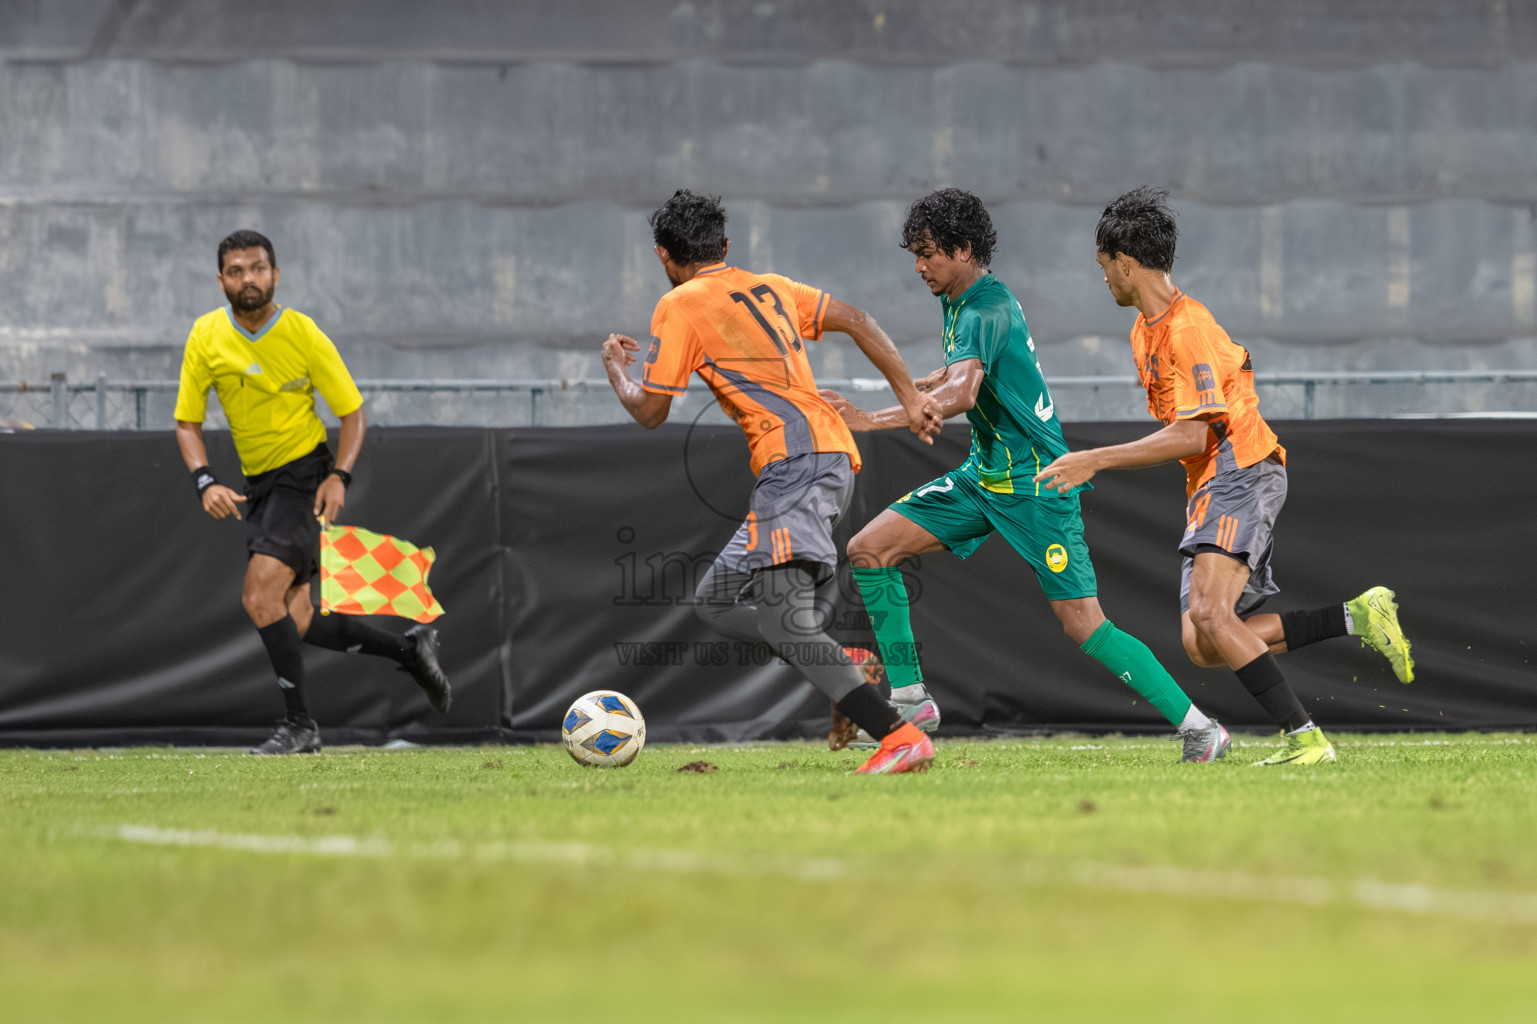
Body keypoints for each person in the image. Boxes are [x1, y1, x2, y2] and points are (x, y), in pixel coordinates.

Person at [822, 188, 1231, 762]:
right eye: (915, 253)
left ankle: (1200, 728)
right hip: (983, 475)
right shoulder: (965, 301)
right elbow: (952, 374)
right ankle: (911, 701)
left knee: (1084, 624)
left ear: (963, 249)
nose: (919, 266)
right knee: (870, 549)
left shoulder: (985, 307)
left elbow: (961, 393)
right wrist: (881, 411)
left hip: (1037, 485)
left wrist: (875, 418)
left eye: (928, 253)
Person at [1036, 186, 1413, 766]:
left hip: (1242, 467)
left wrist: (1095, 458)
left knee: (1212, 615)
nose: (1104, 278)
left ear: (1127, 264)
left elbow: (1195, 435)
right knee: (1202, 642)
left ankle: (1305, 739)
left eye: (1104, 266)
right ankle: (1356, 615)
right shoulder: (1145, 331)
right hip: (1212, 481)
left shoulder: (1187, 330)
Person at [601, 190, 944, 774]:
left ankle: (898, 735)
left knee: (786, 620)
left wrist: (615, 368)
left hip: (798, 466)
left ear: (664, 255)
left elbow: (651, 411)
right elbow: (859, 320)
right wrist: (910, 399)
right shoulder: (772, 287)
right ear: (726, 246)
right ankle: (845, 667)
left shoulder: (678, 304)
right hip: (816, 459)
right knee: (714, 602)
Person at [173, 230, 451, 755]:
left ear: (275, 274)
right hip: (259, 486)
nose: (246, 279)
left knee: (259, 596)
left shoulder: (302, 333)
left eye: (256, 268)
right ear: (220, 281)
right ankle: (409, 649)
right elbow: (187, 423)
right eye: (235, 271)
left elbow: (352, 414)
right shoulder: (206, 335)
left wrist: (338, 477)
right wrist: (203, 479)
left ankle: (300, 726)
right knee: (296, 617)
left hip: (303, 478)